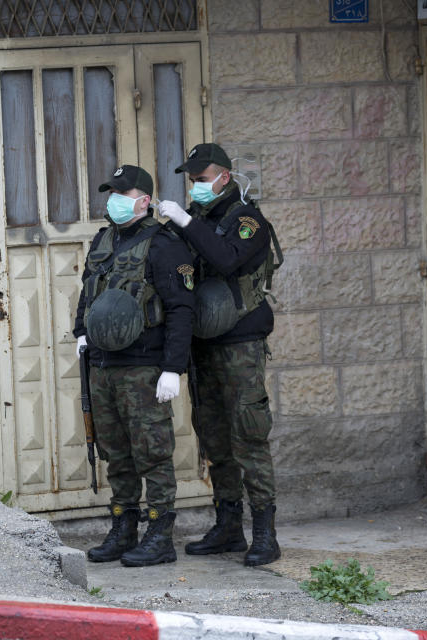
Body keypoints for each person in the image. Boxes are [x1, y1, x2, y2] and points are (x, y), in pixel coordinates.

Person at [157, 143, 281, 567]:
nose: (196, 187)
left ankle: (265, 532)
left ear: (224, 177)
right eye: (192, 181)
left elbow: (226, 260)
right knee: (213, 435)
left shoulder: (246, 219)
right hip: (203, 343)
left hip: (240, 342)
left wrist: (187, 221)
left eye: (202, 179)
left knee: (248, 433)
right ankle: (229, 525)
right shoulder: (202, 218)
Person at [73, 165, 195, 567]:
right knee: (116, 453)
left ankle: (160, 536)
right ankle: (123, 529)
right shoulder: (103, 240)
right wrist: (81, 333)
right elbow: (88, 291)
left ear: (144, 201)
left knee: (153, 453)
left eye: (122, 194)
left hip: (144, 367)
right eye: (111, 193)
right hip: (104, 365)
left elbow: (181, 308)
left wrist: (172, 368)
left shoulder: (165, 245)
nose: (113, 201)